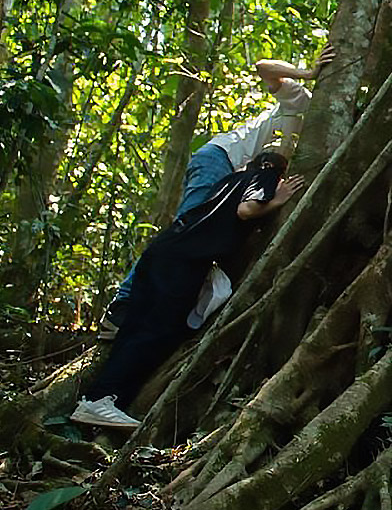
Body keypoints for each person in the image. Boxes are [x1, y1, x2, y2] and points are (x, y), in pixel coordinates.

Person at [100, 49, 334, 334]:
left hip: (236, 184)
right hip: (221, 160)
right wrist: (309, 74)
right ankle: (122, 305)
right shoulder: (302, 101)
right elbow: (263, 67)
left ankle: (156, 312)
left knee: (200, 242)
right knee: (186, 232)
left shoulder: (321, 145)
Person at [73, 150, 303, 429]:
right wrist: (277, 198)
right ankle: (100, 401)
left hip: (164, 250)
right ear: (272, 167)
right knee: (157, 331)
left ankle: (99, 400)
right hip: (185, 262)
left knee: (136, 327)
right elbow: (247, 210)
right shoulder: (264, 175)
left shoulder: (228, 180)